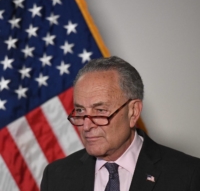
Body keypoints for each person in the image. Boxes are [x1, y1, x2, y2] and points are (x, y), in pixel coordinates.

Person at [41, 56, 200, 191]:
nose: (87, 126)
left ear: (133, 112)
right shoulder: (56, 176)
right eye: (80, 111)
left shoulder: (189, 174)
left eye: (100, 111)